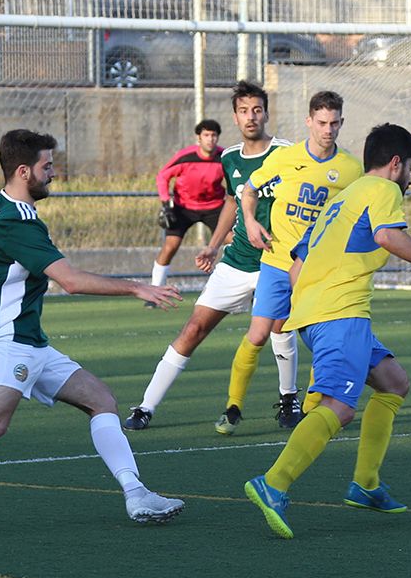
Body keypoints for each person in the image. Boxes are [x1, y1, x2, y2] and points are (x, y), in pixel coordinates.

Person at [0, 129, 186, 543]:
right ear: (24, 171)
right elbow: (71, 281)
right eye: (47, 167)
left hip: (31, 341)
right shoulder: (19, 221)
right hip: (11, 341)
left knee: (101, 400)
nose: (53, 174)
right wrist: (137, 287)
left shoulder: (1, 205)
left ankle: (136, 494)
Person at [244, 123, 411, 539]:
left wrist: (316, 308)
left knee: (394, 383)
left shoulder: (341, 198)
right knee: (341, 406)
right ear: (396, 163)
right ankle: (273, 483)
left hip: (320, 312)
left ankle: (365, 484)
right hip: (340, 313)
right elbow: (387, 236)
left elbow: (296, 268)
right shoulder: (383, 191)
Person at [124, 81, 302, 430]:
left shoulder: (288, 153)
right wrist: (213, 243)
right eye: (243, 111)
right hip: (237, 261)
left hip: (278, 261)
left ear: (266, 113)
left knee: (279, 330)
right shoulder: (230, 157)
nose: (251, 117)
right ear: (235, 117)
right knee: (193, 327)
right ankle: (145, 407)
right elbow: (233, 201)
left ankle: (288, 400)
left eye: (257, 110)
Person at [218, 89, 362, 435]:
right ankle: (233, 406)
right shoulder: (286, 158)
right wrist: (250, 222)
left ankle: (307, 407)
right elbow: (248, 191)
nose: (328, 130)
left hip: (318, 270)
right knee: (257, 334)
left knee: (317, 338)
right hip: (278, 260)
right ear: (308, 121)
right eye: (322, 122)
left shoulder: (350, 169)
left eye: (335, 123)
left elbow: (358, 213)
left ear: (342, 122)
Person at [150, 118, 226, 288]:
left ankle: (246, 291)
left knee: (234, 243)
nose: (210, 139)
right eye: (206, 135)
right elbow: (163, 176)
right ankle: (155, 292)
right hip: (183, 207)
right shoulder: (186, 157)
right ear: (198, 138)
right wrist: (165, 203)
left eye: (214, 135)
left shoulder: (224, 157)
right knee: (170, 246)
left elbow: (237, 179)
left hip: (214, 207)